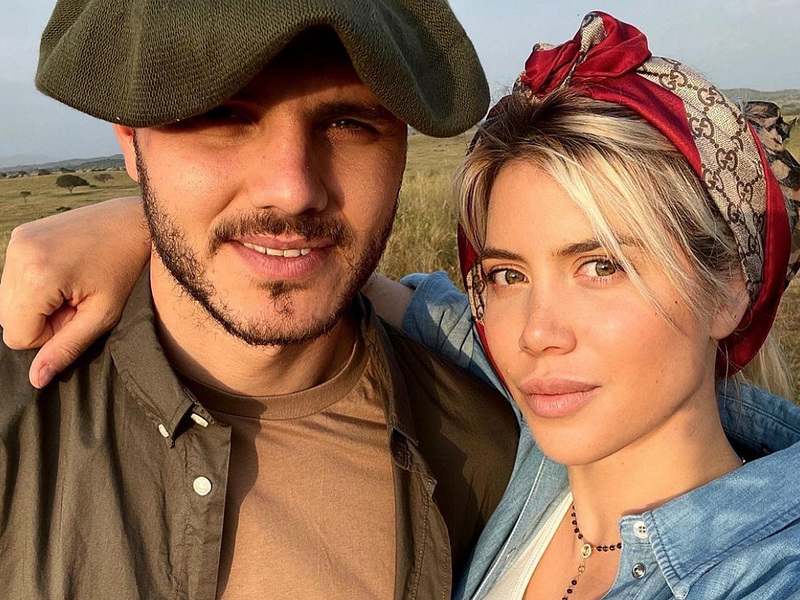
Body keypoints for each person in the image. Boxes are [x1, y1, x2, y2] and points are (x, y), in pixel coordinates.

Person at [3, 9, 800, 600]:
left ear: (731, 285)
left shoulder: (488, 441)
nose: (536, 335)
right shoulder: (530, 452)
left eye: (602, 265)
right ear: (131, 141)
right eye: (506, 275)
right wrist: (152, 223)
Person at [0, 1, 521, 599]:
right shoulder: (19, 425)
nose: (293, 189)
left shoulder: (483, 455)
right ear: (129, 139)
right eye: (222, 113)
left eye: (348, 122)